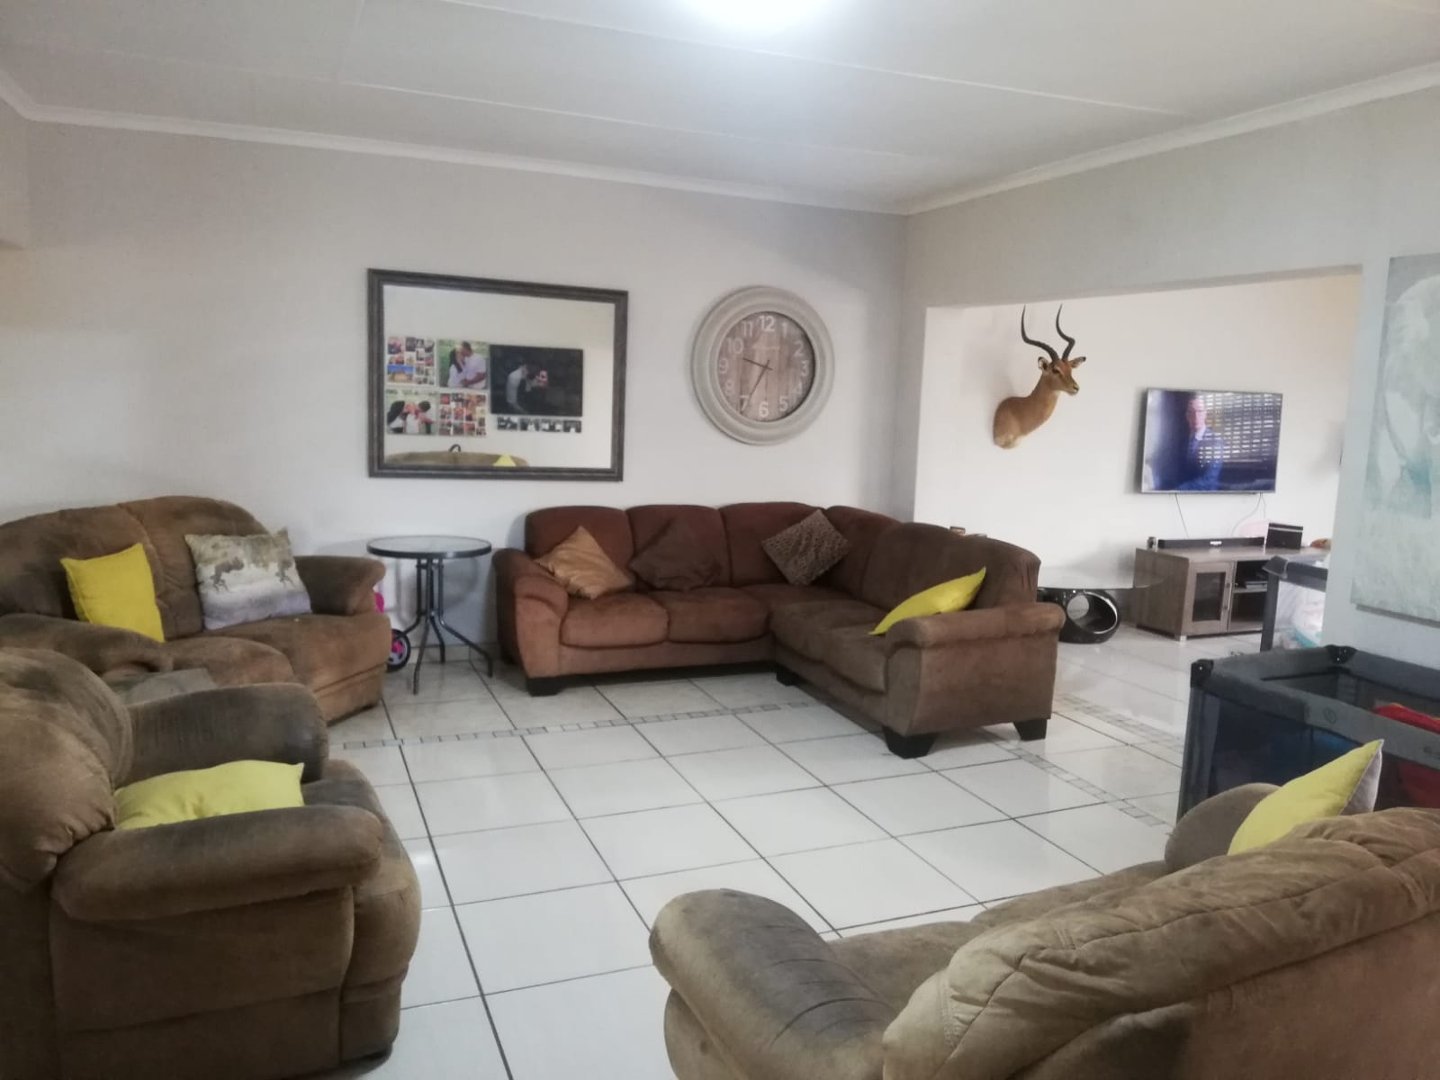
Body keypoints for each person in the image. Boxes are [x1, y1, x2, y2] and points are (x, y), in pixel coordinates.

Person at [1173, 394, 1226, 491]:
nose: (1196, 416)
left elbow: (1209, 479)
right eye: (1191, 412)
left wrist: (1178, 490)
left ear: (1205, 413)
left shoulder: (1215, 442)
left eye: (1200, 411)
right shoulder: (1183, 442)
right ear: (1187, 416)